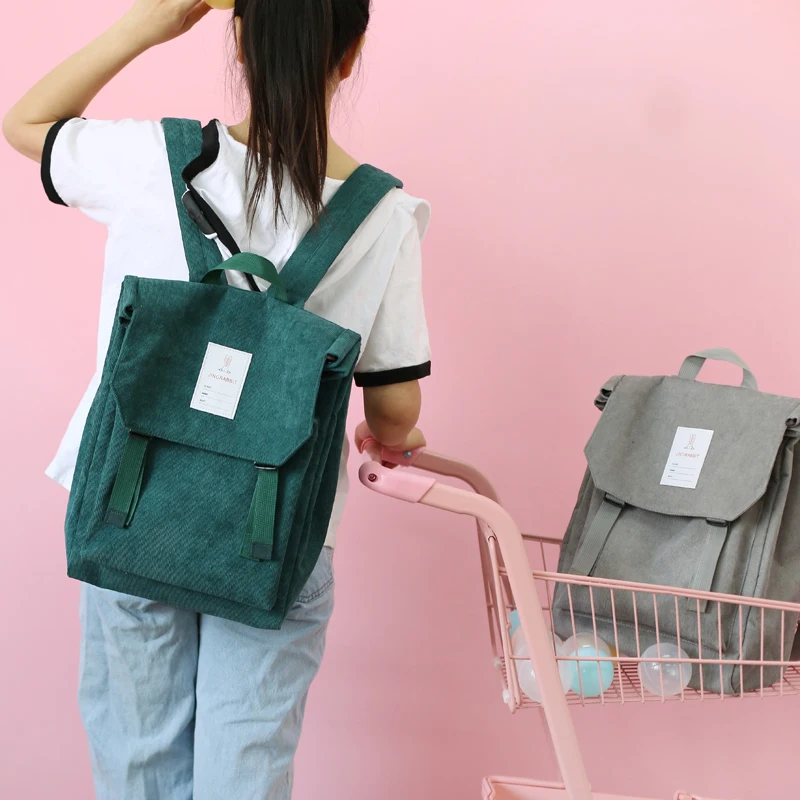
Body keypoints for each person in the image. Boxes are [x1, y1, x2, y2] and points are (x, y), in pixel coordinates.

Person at [3, 1, 430, 797]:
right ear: (349, 54)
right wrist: (392, 437)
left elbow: (25, 123)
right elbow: (394, 410)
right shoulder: (384, 214)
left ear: (237, 36)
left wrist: (149, 23)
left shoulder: (149, 159)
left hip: (133, 508)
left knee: (137, 754)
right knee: (249, 761)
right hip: (277, 533)